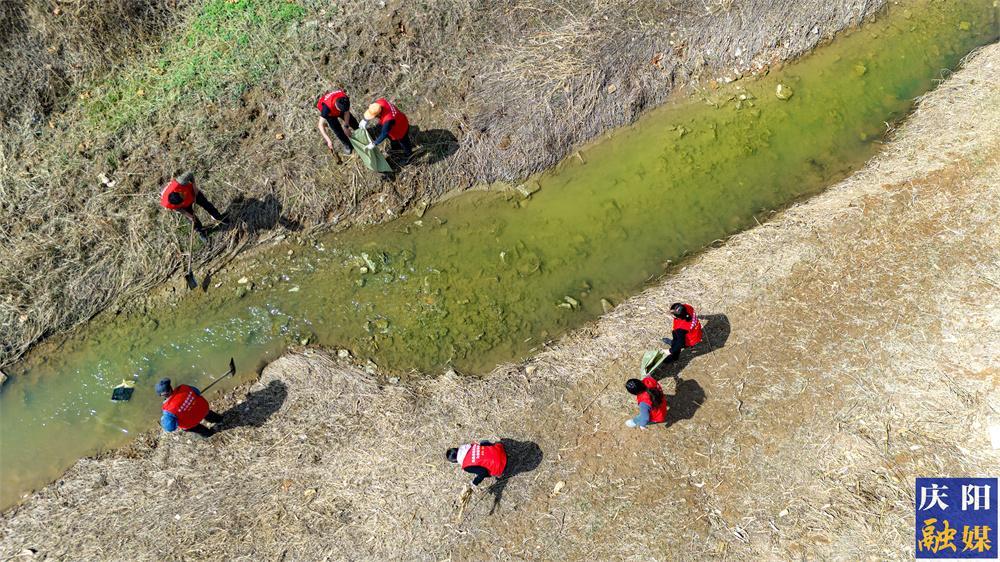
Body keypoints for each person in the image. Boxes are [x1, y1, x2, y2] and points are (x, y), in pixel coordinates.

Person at [160, 172, 226, 242]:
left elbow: (190, 174)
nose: (183, 197)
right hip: (184, 206)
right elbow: (178, 209)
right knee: (193, 221)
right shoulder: (167, 204)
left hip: (193, 192)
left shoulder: (180, 182)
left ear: (177, 191)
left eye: (182, 196)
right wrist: (188, 215)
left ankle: (218, 217)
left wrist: (194, 186)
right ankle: (202, 232)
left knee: (207, 205)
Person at [156, 378, 223, 437]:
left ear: (162, 395)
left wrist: (163, 420)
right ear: (170, 387)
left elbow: (170, 427)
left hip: (191, 423)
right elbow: (197, 392)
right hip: (203, 409)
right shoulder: (184, 387)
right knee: (206, 412)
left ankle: (209, 433)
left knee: (197, 428)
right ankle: (219, 419)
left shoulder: (167, 410)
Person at [316, 88, 359, 155]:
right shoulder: (326, 109)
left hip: (337, 107)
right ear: (337, 106)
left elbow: (346, 113)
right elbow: (320, 125)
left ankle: (360, 133)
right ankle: (347, 145)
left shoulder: (345, 99)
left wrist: (346, 126)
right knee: (337, 129)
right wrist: (328, 140)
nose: (342, 111)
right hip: (330, 114)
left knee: (352, 120)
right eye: (341, 110)